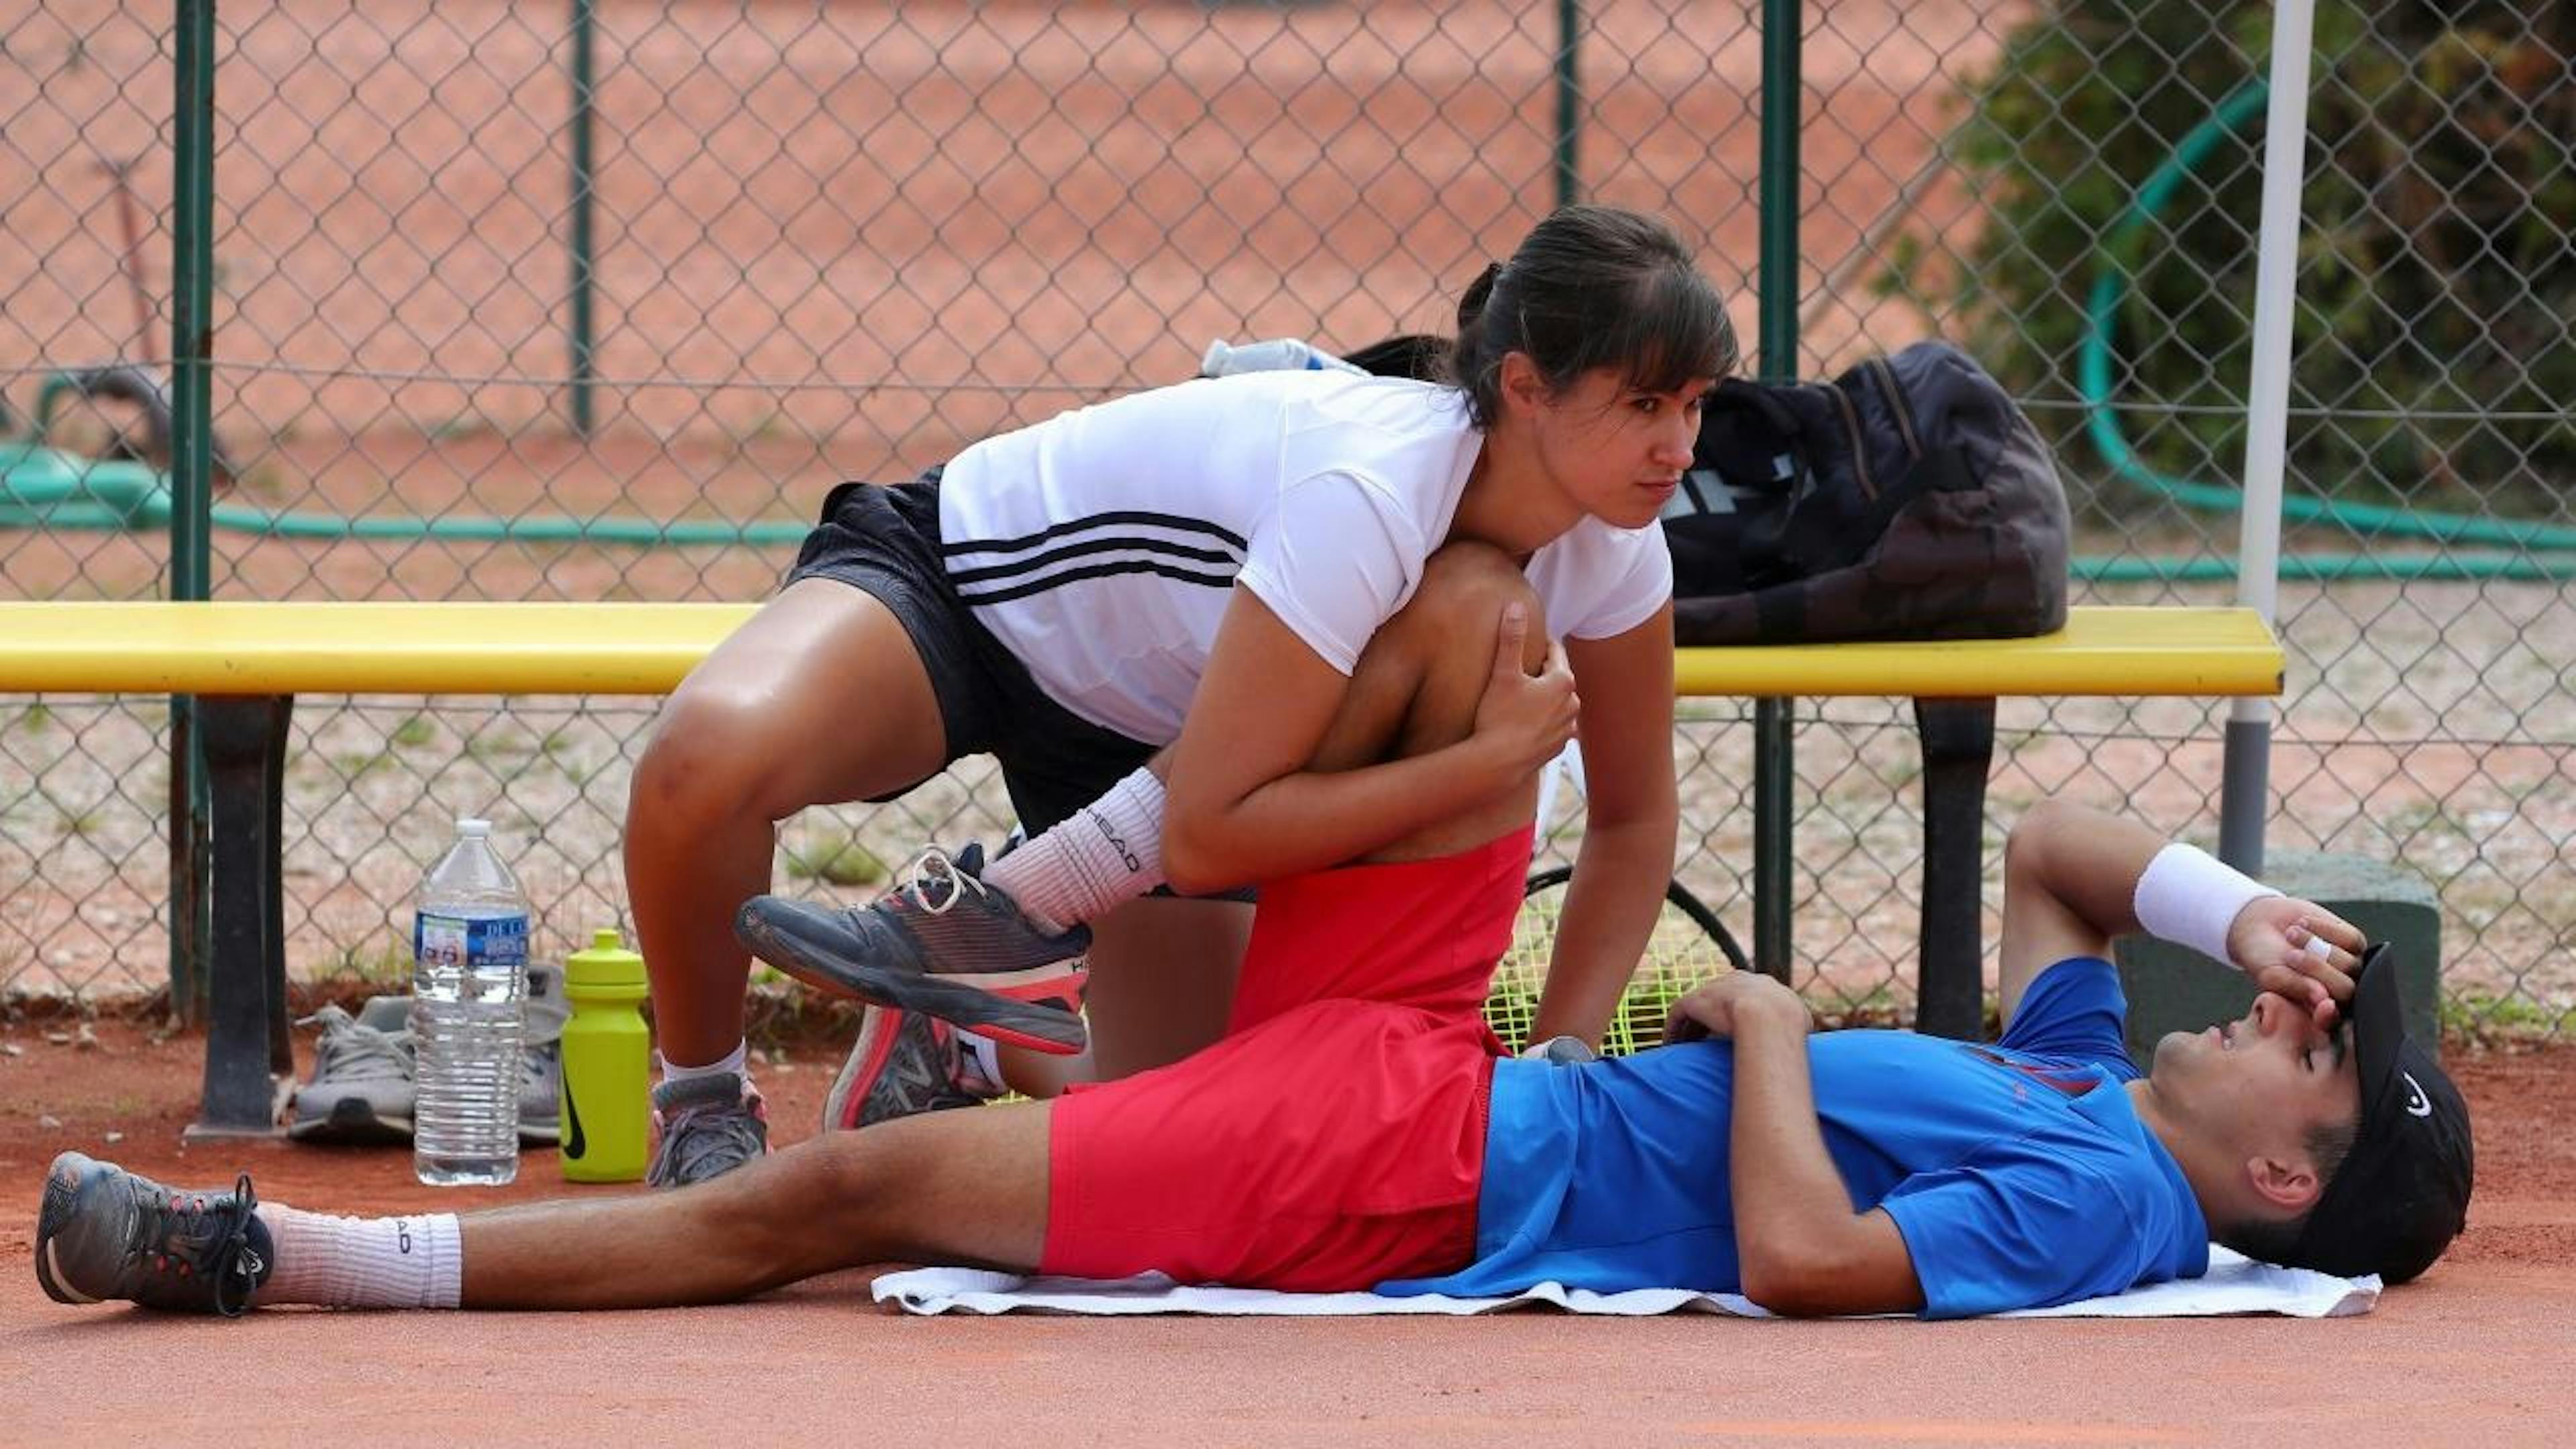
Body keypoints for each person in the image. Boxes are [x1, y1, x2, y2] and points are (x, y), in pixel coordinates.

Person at [32, 796, 2472, 1320]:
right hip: (1405, 1089)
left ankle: (287, 1259)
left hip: (1413, 1170)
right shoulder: (2092, 1086)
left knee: (832, 1212)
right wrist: (2221, 910)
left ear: (2276, 1192)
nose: (2274, 1023)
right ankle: (1034, 1057)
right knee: (1219, 844)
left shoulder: (2113, 1202)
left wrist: (1759, 1021)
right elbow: (2051, 858)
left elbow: (1807, 1259)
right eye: (2291, 1003)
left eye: (2308, 1066)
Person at [629, 203, 1737, 1185]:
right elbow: (1209, 836)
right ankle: (704, 1103)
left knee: (1190, 1153)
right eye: (1644, 402)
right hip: (980, 597)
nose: (1678, 445)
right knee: (706, 756)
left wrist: (1564, 1065)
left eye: (1694, 404)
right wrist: (1489, 763)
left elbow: (1635, 823)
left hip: (1172, 736)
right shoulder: (1372, 491)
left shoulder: (1618, 552)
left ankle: (956, 1033)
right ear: (1525, 387)